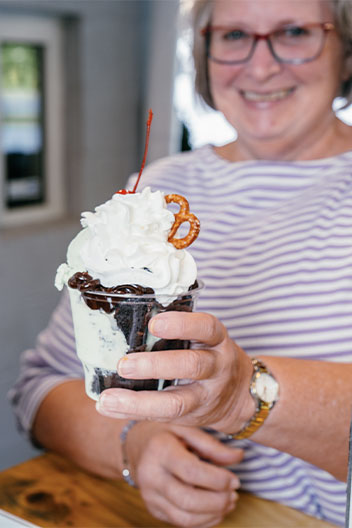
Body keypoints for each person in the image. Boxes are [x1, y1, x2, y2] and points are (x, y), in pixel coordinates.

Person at [9, 0, 352, 526]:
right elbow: (41, 389)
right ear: (204, 51)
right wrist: (134, 443)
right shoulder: (154, 197)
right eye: (234, 35)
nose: (260, 66)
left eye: (294, 32)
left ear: (344, 49)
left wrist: (244, 395)